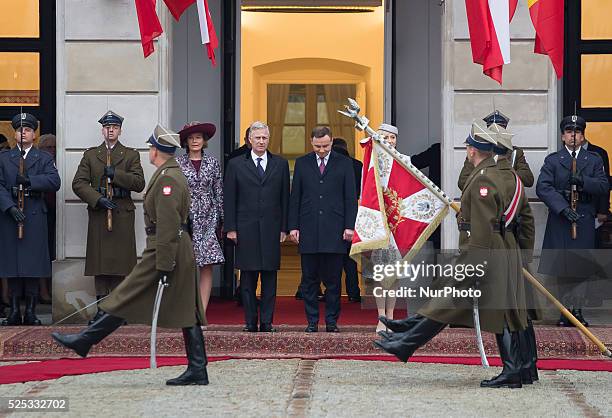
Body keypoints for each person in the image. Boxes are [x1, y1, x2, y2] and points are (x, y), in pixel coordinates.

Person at [376, 121, 533, 389]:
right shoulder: (505, 176)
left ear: (474, 150)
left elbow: (483, 229)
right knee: (506, 311)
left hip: (484, 253)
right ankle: (520, 370)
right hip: (504, 252)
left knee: (459, 300)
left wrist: (475, 264)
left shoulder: (484, 178)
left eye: (468, 146)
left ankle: (406, 341)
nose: (467, 149)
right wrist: (522, 255)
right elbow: (526, 221)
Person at [52, 125, 209, 386]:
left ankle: (85, 340)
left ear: (157, 150)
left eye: (151, 146)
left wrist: (164, 262)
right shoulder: (169, 173)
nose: (149, 150)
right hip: (171, 246)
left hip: (165, 246)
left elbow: (169, 223)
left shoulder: (168, 178)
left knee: (127, 294)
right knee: (182, 308)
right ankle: (198, 368)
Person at [72, 111, 145, 324]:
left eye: (114, 127)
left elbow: (139, 183)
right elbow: (79, 183)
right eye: (106, 127)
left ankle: (120, 310)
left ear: (120, 130)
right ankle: (102, 309)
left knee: (122, 264)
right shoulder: (91, 155)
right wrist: (97, 199)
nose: (110, 130)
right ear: (102, 130)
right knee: (101, 264)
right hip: (100, 213)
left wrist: (117, 175)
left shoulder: (131, 155)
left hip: (121, 212)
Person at [536, 115, 609, 327]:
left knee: (581, 267)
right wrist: (563, 208)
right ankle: (565, 311)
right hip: (562, 219)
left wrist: (584, 181)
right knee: (562, 266)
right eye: (569, 132)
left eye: (577, 132)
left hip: (584, 217)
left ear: (583, 135)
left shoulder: (594, 159)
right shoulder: (553, 160)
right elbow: (543, 187)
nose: (573, 136)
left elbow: (604, 187)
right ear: (562, 136)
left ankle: (578, 309)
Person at [288, 126, 357, 333]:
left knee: (334, 280)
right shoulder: (302, 163)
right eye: (317, 146)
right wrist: (293, 226)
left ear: (332, 141)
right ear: (311, 142)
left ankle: (331, 321)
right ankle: (311, 322)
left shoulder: (344, 163)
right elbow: (295, 197)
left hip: (335, 229)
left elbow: (349, 198)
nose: (321, 150)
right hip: (308, 228)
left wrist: (349, 226)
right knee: (309, 280)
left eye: (325, 146)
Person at [224, 121, 290, 332]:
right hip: (245, 228)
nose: (261, 141)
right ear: (249, 140)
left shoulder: (280, 164)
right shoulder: (235, 164)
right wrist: (231, 228)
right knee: (248, 279)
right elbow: (230, 198)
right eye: (258, 138)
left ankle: (268, 322)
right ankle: (250, 322)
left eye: (264, 138)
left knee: (270, 277)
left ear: (268, 140)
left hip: (271, 228)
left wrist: (284, 228)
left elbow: (285, 199)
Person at [0, 113, 61, 326]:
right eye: (19, 129)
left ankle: (32, 311)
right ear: (14, 133)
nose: (23, 132)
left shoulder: (43, 158)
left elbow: (54, 181)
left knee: (33, 264)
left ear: (34, 134)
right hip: (11, 215)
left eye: (27, 129)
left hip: (34, 212)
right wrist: (8, 206)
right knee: (13, 263)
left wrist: (30, 181)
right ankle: (15, 310)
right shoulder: (4, 158)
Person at [177, 121, 224, 314]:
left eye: (198, 137)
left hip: (208, 218)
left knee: (206, 265)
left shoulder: (213, 163)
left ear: (204, 140)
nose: (195, 141)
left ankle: (202, 312)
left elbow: (219, 192)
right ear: (186, 142)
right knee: (187, 265)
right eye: (191, 138)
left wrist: (223, 219)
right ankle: (188, 310)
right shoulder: (178, 163)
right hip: (186, 218)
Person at [362, 124, 404, 332]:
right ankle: (380, 318)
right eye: (385, 137)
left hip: (398, 224)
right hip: (379, 223)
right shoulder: (373, 162)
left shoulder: (406, 161)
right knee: (379, 276)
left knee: (394, 276)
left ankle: (391, 316)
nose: (389, 141)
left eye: (392, 138)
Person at [458, 111, 534, 190]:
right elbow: (463, 181)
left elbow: (528, 179)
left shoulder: (515, 153)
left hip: (507, 197)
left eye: (499, 129)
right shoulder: (479, 152)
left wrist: (504, 174)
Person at [331, 137, 362, 303]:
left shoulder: (331, 164)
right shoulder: (358, 165)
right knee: (350, 259)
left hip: (332, 215)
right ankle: (354, 291)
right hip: (354, 215)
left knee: (330, 257)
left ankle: (331, 292)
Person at [411, 142, 442, 250]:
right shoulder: (436, 149)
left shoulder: (436, 149)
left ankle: (439, 266)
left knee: (438, 243)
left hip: (436, 201)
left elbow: (413, 162)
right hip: (437, 202)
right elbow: (413, 163)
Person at [38, 134, 57, 305]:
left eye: (54, 147)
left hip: (57, 214)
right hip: (41, 212)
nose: (52, 151)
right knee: (42, 252)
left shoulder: (58, 164)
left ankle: (52, 289)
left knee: (53, 251)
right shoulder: (40, 163)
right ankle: (43, 291)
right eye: (48, 147)